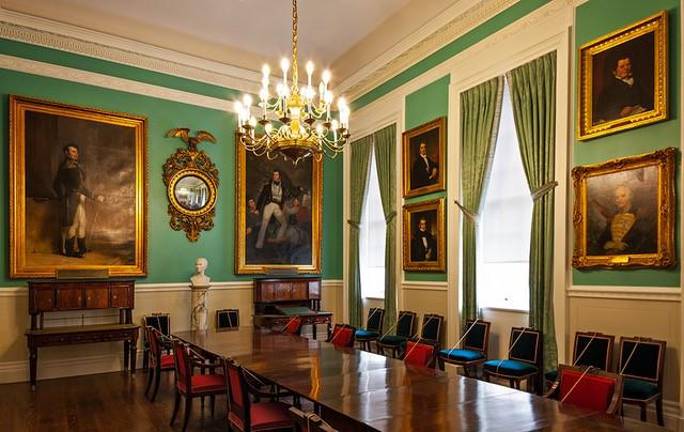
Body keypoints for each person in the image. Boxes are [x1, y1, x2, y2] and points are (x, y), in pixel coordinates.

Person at [52, 143, 104, 258]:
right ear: (66, 153)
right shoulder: (68, 167)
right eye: (73, 151)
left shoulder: (73, 165)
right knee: (74, 225)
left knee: (82, 223)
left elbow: (78, 184)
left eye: (76, 151)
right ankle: (70, 251)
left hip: (77, 198)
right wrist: (94, 196)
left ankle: (82, 249)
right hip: (72, 199)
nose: (76, 154)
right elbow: (78, 186)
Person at [592, 184, 656, 255]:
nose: (619, 199)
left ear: (630, 197)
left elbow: (642, 240)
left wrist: (625, 247)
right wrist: (613, 245)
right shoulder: (614, 217)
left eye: (623, 196)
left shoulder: (639, 215)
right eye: (617, 197)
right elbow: (602, 241)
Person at [596, 55, 650, 122]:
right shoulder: (608, 90)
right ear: (614, 71)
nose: (626, 68)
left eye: (628, 65)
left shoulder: (638, 82)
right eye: (622, 67)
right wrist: (620, 114)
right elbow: (601, 113)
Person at [255, 169, 291, 249]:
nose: (275, 176)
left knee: (284, 223)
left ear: (279, 176)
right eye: (274, 175)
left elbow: (284, 199)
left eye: (276, 175)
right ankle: (259, 244)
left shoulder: (283, 187)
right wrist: (257, 208)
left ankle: (278, 240)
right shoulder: (267, 186)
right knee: (264, 224)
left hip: (277, 206)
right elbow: (261, 197)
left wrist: (282, 208)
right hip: (269, 205)